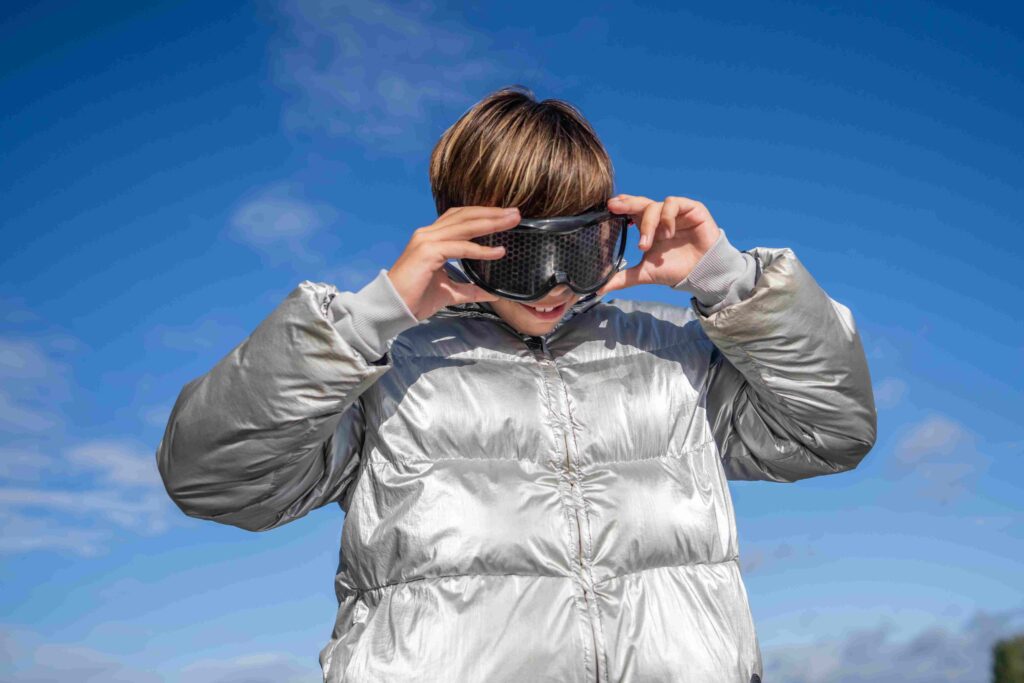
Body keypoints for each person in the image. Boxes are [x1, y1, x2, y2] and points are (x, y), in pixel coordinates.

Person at [156, 85, 877, 683]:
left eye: (579, 248)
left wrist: (730, 281)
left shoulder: (672, 357)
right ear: (461, 239)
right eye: (522, 254)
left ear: (611, 232)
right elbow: (213, 480)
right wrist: (366, 320)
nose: (555, 286)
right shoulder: (384, 371)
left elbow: (831, 432)